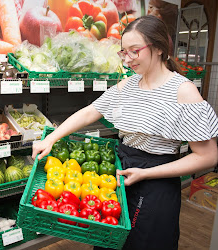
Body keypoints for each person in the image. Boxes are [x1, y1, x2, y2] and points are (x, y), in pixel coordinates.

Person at [32, 15, 218, 250]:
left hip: (157, 182)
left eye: (134, 51)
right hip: (122, 176)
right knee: (110, 241)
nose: (128, 59)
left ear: (159, 48)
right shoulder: (128, 85)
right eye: (123, 52)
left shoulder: (183, 91)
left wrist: (146, 173)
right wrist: (50, 138)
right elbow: (90, 112)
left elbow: (208, 156)